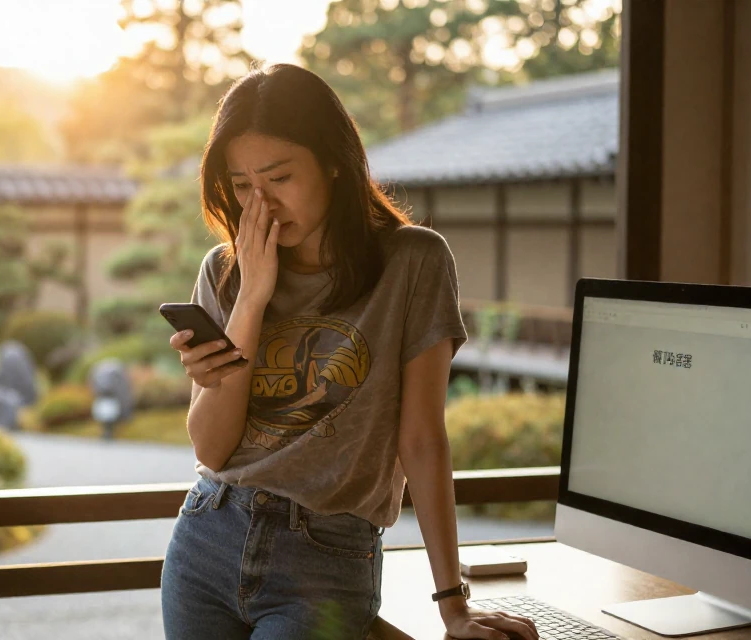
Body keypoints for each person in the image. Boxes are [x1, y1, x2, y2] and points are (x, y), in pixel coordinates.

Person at [159, 64, 541, 640]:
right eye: (241, 185)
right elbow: (213, 447)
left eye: (279, 177)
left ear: (334, 164)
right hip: (207, 536)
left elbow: (422, 440)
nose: (259, 203)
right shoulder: (226, 272)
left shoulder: (414, 263)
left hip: (325, 556)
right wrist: (253, 299)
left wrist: (453, 605)